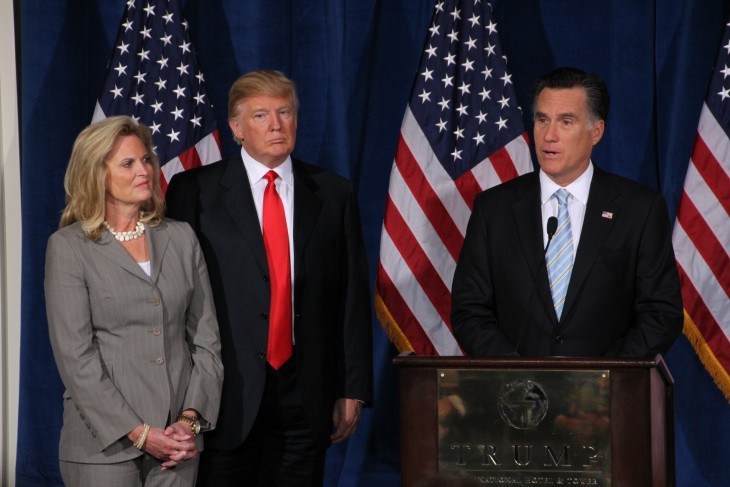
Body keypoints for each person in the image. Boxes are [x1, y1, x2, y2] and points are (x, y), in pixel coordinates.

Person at [165, 69, 373, 486]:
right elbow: (176, 296)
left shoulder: (333, 193)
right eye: (261, 116)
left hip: (305, 390)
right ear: (237, 128)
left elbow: (351, 296)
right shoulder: (194, 192)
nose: (276, 125)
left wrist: (354, 386)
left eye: (285, 112)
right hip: (225, 392)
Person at [451, 67, 683, 357]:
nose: (549, 135)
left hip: (608, 394)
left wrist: (600, 378)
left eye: (566, 122)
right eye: (542, 120)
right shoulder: (494, 209)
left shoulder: (640, 210)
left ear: (596, 131)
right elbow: (469, 311)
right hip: (514, 395)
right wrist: (517, 376)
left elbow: (662, 313)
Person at [44, 116, 224, 486]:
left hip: (178, 446)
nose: (144, 170)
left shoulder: (181, 237)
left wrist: (189, 422)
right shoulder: (69, 248)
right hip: (102, 449)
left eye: (145, 160)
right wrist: (139, 433)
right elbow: (76, 358)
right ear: (96, 174)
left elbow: (206, 341)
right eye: (128, 163)